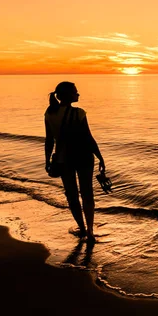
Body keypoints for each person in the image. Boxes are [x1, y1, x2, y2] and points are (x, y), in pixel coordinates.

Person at [44, 82, 105, 242]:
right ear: (68, 95)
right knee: (87, 194)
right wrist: (100, 156)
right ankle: (90, 231)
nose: (78, 95)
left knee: (72, 194)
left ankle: (82, 228)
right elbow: (88, 138)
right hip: (83, 156)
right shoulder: (79, 113)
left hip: (63, 159)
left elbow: (49, 140)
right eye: (75, 92)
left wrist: (47, 160)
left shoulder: (49, 113)